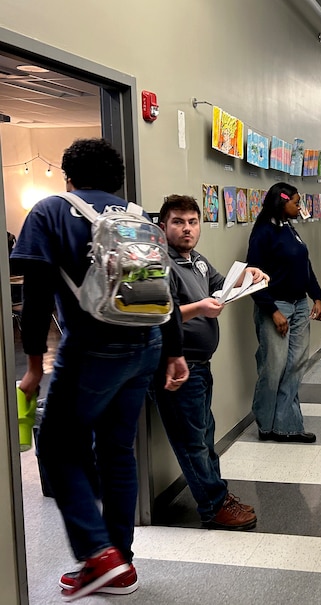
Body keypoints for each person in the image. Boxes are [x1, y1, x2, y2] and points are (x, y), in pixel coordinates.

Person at [11, 138, 189, 600]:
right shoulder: (137, 216)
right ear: (118, 178)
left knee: (56, 447)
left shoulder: (51, 212)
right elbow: (163, 289)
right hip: (146, 344)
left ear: (68, 175)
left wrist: (34, 368)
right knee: (116, 451)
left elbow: (34, 300)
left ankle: (98, 554)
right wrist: (174, 353)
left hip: (93, 349)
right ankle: (120, 566)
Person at [155, 194, 265, 530]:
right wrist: (200, 309)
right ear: (163, 227)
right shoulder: (159, 264)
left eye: (192, 222)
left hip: (201, 365)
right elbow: (160, 313)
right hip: (178, 365)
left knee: (204, 436)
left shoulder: (196, 261)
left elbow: (220, 284)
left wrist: (248, 274)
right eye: (178, 222)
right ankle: (213, 508)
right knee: (191, 442)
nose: (187, 229)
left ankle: (218, 495)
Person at [246, 182, 321, 443]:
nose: (299, 206)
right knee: (273, 367)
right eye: (296, 202)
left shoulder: (290, 228)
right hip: (276, 306)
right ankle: (266, 422)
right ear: (282, 202)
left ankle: (287, 426)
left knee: (295, 365)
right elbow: (253, 278)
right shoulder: (263, 233)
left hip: (300, 305)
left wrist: (317, 296)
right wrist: (272, 311)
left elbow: (305, 265)